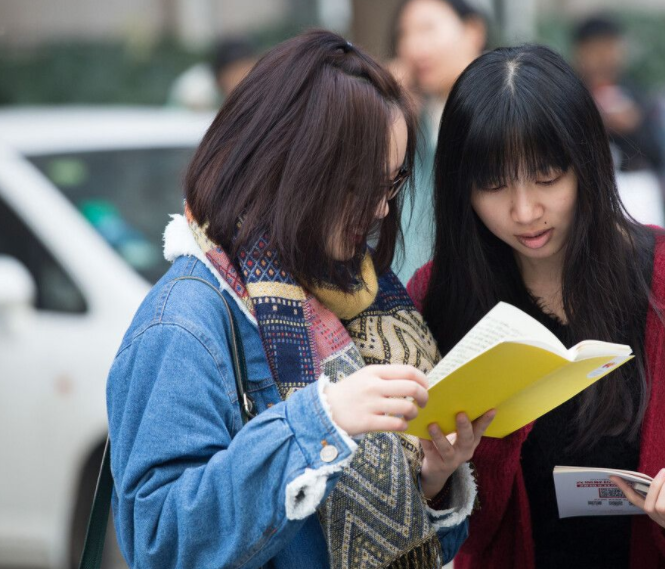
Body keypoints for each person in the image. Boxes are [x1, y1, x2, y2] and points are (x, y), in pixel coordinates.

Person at [107, 30, 493, 569]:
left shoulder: (365, 293)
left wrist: (430, 479)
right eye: (363, 188)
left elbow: (424, 549)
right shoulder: (184, 319)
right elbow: (163, 543)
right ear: (293, 169)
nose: (382, 211)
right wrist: (318, 420)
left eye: (392, 184)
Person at [407, 45, 665, 568]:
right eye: (492, 184)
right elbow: (411, 511)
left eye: (546, 177)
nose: (524, 211)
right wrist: (434, 479)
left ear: (587, 162)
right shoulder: (436, 297)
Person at [391, 0, 487, 282]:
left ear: (473, 31)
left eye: (427, 29)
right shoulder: (413, 118)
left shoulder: (500, 112)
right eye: (404, 34)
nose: (413, 47)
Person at [572, 14, 665, 227]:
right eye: (596, 50)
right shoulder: (570, 93)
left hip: (635, 194)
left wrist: (635, 125)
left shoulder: (634, 92)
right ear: (580, 51)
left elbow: (658, 152)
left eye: (610, 48)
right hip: (587, 195)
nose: (604, 58)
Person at [167, 37, 258, 111]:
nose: (244, 79)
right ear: (222, 74)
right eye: (238, 74)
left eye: (249, 73)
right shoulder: (196, 88)